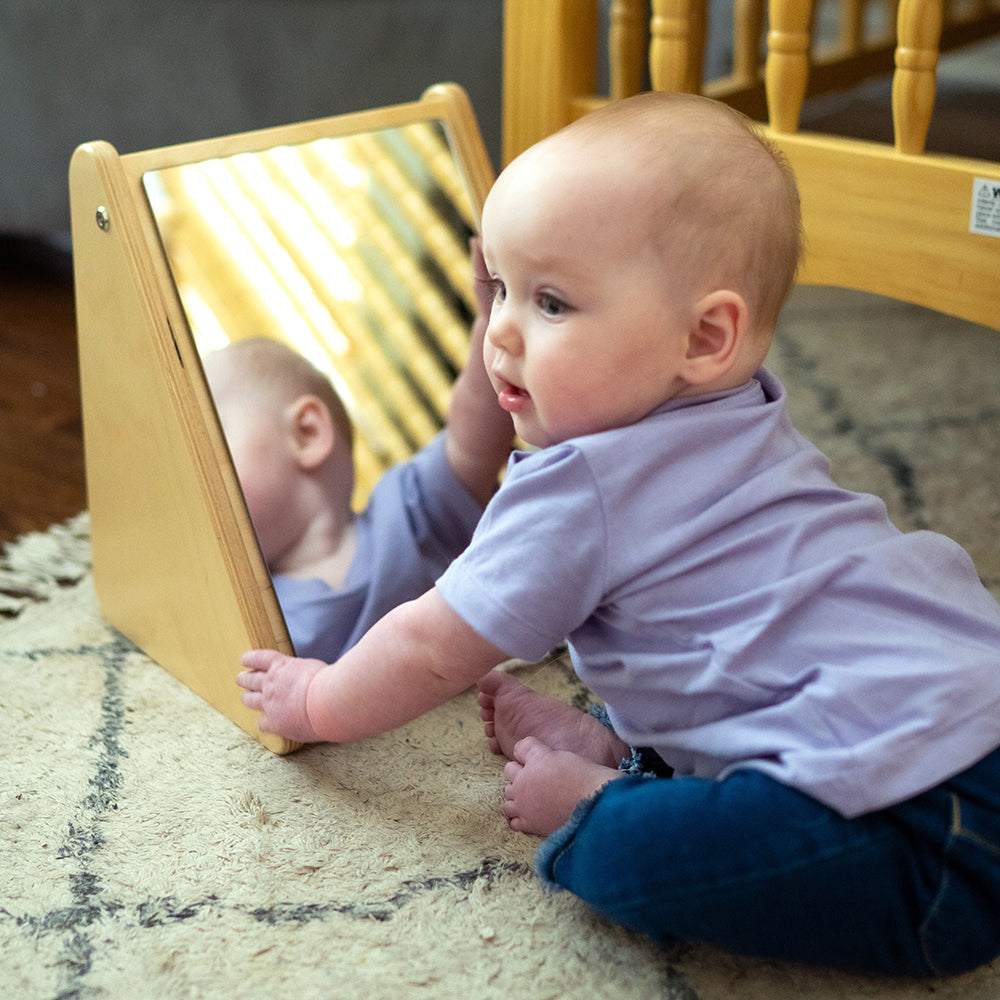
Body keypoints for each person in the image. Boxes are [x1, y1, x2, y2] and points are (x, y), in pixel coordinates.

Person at [236, 91, 1000, 976]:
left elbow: (430, 646)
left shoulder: (578, 489)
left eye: (552, 302)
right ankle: (625, 747)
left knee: (616, 855)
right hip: (963, 700)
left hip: (920, 839)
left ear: (706, 336)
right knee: (710, 658)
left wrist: (319, 701)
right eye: (501, 292)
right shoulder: (742, 412)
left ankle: (606, 789)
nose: (504, 336)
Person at [204, 238, 513, 660]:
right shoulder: (246, 615)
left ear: (307, 434)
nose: (191, 480)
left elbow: (473, 443)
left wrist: (489, 329)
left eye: (208, 443)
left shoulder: (407, 515)